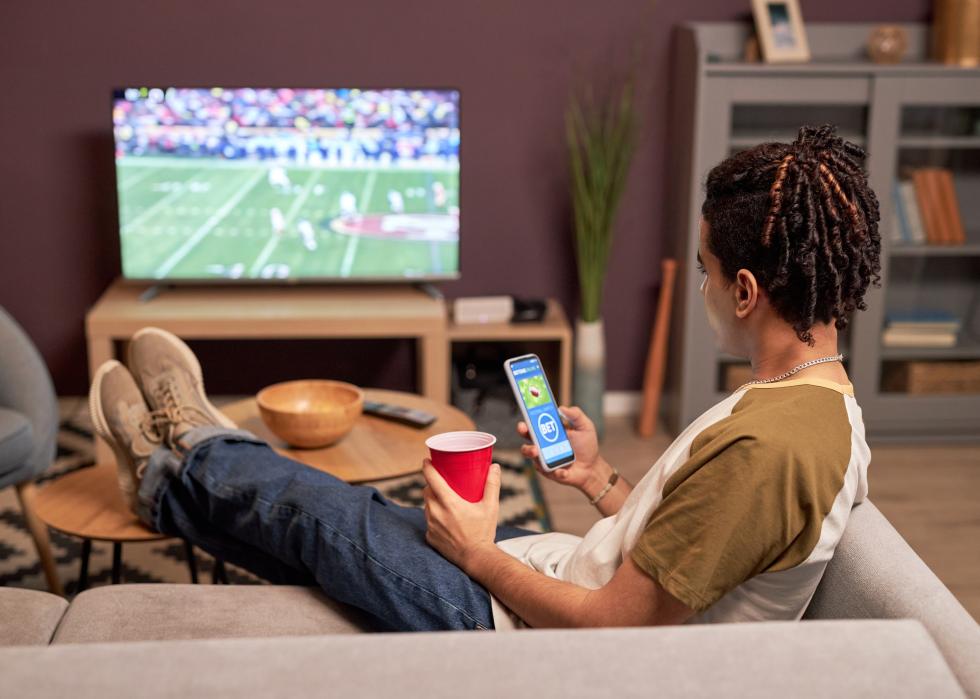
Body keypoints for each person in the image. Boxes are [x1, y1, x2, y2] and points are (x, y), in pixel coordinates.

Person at [89, 124, 879, 632]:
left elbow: (613, 630)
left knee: (322, 515)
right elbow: (695, 544)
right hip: (550, 578)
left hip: (520, 630)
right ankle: (167, 473)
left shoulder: (769, 448)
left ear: (746, 290)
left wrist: (475, 556)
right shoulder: (812, 406)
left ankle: (182, 443)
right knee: (319, 533)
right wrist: (601, 479)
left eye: (707, 272)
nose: (705, 289)